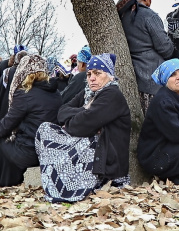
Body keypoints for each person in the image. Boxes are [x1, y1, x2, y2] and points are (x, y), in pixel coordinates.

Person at [35, 53, 131, 202]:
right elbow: (61, 111)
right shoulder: (88, 92)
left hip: (108, 165)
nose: (92, 78)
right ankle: (59, 185)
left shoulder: (112, 94)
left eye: (98, 73)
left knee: (86, 138)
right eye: (89, 74)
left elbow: (79, 127)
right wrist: (84, 109)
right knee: (45, 129)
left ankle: (69, 189)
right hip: (95, 156)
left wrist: (79, 118)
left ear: (110, 76)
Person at [0, 55, 62, 186]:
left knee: (2, 141)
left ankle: (6, 183)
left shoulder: (25, 94)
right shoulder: (56, 93)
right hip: (49, 151)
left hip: (29, 152)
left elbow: (6, 126)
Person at [117, 0, 174, 115]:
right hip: (153, 80)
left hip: (135, 77)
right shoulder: (149, 16)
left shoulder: (122, 17)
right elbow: (166, 49)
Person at [0, 50, 29, 120]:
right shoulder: (28, 74)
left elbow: (1, 89)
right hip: (19, 109)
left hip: (5, 104)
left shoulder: (7, 72)